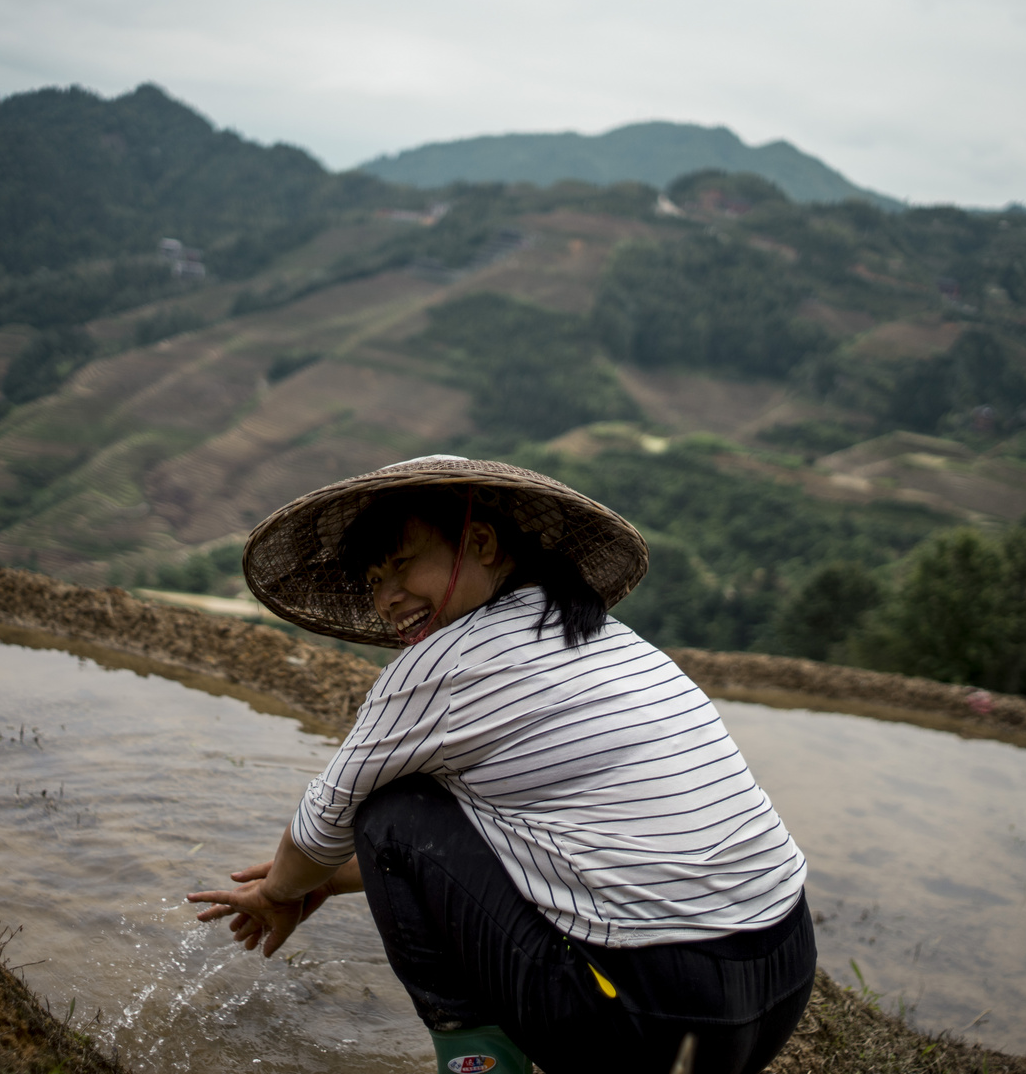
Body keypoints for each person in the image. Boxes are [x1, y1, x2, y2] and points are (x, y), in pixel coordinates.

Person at [188, 457, 814, 1074]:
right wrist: (324, 881)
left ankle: (478, 1065)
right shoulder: (610, 638)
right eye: (375, 578)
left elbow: (324, 821)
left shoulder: (446, 664)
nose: (387, 597)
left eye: (402, 564)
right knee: (434, 805)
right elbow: (498, 837)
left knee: (390, 810)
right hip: (776, 992)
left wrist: (278, 892)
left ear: (481, 542)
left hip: (659, 1027)